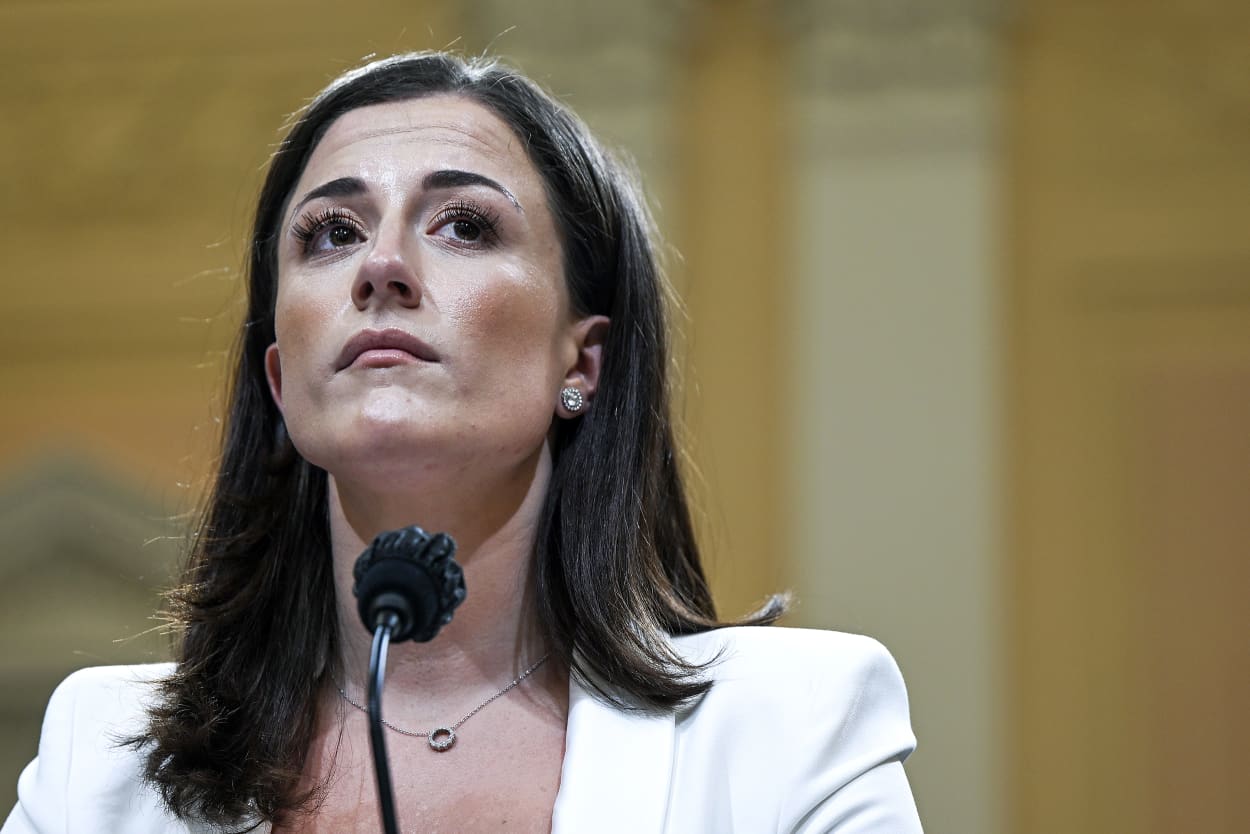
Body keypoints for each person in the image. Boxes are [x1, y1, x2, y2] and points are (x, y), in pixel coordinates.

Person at [3, 52, 922, 833]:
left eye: (465, 225)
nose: (383, 267)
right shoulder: (101, 761)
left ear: (586, 361)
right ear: (281, 380)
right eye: (331, 232)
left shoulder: (794, 729)